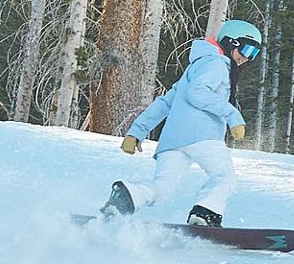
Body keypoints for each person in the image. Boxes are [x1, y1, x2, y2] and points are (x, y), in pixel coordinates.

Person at [102, 19, 263, 227]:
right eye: (247, 49)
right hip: (202, 135)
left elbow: (165, 102)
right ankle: (205, 213)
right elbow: (199, 93)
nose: (247, 58)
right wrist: (232, 116)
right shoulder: (217, 63)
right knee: (224, 178)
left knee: (164, 187)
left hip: (173, 139)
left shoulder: (196, 66)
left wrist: (137, 131)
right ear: (231, 42)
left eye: (254, 54)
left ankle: (128, 197)